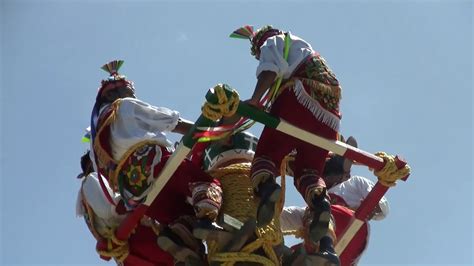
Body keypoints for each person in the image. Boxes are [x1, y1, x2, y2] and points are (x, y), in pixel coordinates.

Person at [89, 60, 223, 264]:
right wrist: (210, 131)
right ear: (110, 94)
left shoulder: (97, 135)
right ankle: (207, 221)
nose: (133, 95)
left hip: (133, 191)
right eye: (128, 90)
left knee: (179, 214)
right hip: (154, 162)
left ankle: (186, 251)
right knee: (205, 183)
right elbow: (170, 121)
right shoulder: (125, 106)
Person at [230, 25, 343, 256]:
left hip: (301, 99)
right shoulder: (307, 49)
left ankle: (268, 188)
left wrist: (255, 98)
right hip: (330, 116)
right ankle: (320, 203)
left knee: (267, 153)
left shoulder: (274, 42)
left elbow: (270, 69)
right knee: (309, 170)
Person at [280, 137, 389, 266]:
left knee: (318, 209)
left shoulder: (355, 183)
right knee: (289, 245)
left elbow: (382, 206)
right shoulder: (319, 197)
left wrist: (373, 208)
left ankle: (337, 161)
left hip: (350, 225)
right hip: (337, 241)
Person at [76, 151, 175, 266]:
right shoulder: (91, 179)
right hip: (139, 239)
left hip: (130, 255)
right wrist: (143, 191)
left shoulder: (87, 196)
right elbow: (113, 209)